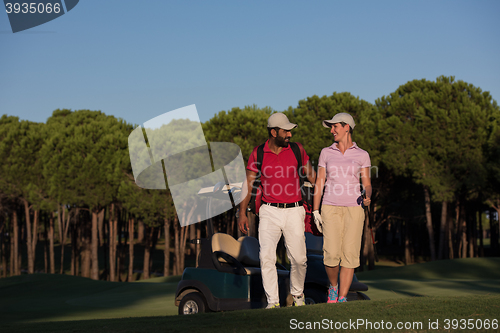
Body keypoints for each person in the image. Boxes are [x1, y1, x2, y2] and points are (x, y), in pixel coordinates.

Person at [238, 112, 316, 309]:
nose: (289, 134)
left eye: (290, 131)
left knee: (299, 259)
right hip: (269, 211)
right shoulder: (258, 153)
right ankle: (273, 302)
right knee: (266, 258)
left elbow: (313, 177)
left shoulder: (297, 149)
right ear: (273, 132)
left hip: (295, 210)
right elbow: (248, 184)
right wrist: (242, 213)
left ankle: (298, 296)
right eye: (285, 131)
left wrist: (326, 199)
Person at [312, 112, 372, 303]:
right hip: (330, 207)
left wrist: (368, 195)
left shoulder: (362, 155)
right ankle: (333, 287)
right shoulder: (326, 152)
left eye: (334, 126)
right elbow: (320, 182)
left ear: (347, 127)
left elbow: (367, 183)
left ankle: (342, 298)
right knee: (331, 254)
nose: (331, 131)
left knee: (350, 254)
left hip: (354, 209)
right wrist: (315, 210)